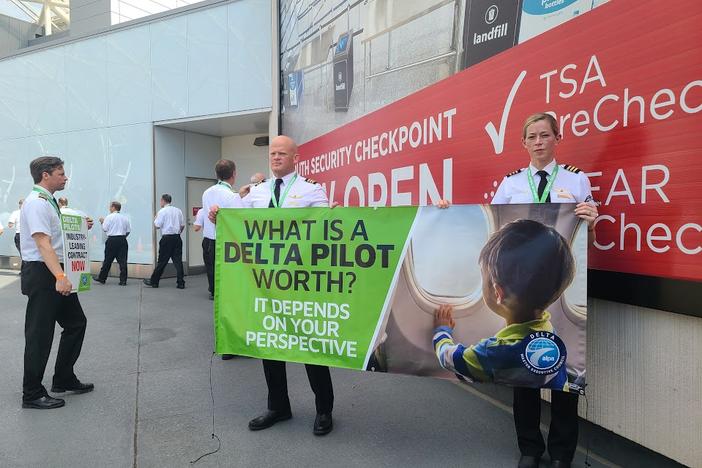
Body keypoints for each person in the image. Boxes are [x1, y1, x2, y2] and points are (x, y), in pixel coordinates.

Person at [490, 112, 598, 468]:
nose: (538, 142)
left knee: (565, 368)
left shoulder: (576, 180)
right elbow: (495, 228)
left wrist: (591, 218)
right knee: (525, 370)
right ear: (523, 143)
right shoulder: (510, 184)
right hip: (523, 283)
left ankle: (563, 452)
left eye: (544, 135)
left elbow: (586, 237)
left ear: (557, 137)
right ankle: (530, 448)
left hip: (564, 282)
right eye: (531, 136)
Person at [211, 135, 334, 435]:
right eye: (272, 154)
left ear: (295, 157)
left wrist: (335, 215)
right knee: (271, 344)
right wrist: (218, 217)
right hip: (266, 283)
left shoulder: (311, 190)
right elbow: (233, 224)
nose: (276, 157)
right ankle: (279, 407)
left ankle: (324, 410)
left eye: (282, 153)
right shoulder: (257, 192)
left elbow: (328, 229)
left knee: (310, 346)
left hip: (302, 283)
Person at [433, 219, 576, 390]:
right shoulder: (549, 332)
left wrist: (442, 331)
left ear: (498, 293)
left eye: (483, 277)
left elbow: (449, 359)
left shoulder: (495, 353)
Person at [20, 156, 93, 410]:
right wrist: (60, 277)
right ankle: (31, 393)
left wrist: (82, 227)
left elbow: (56, 235)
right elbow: (42, 243)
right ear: (45, 175)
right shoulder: (37, 203)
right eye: (60, 173)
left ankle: (63, 377)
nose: (65, 177)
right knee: (40, 334)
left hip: (54, 270)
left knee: (76, 323)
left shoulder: (49, 202)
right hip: (44, 273)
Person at [201, 159, 242, 301]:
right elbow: (238, 219)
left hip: (207, 237)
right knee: (224, 271)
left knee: (211, 267)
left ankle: (213, 290)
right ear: (234, 173)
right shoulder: (232, 195)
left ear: (216, 174)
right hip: (224, 239)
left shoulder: (206, 192)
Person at [143, 194, 185, 289]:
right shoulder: (178, 211)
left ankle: (154, 281)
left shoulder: (162, 211)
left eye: (160, 201)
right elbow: (182, 225)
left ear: (163, 200)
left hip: (167, 238)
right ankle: (181, 282)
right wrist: (177, 233)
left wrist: (155, 217)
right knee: (178, 261)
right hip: (177, 237)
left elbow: (157, 225)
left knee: (162, 261)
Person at [95, 201, 130, 285]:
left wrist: (102, 222)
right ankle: (123, 280)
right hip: (122, 239)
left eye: (110, 207)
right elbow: (128, 231)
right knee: (123, 261)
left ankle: (102, 278)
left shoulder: (109, 217)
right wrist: (123, 237)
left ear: (113, 207)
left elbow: (105, 229)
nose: (109, 208)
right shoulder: (125, 218)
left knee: (108, 260)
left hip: (112, 240)